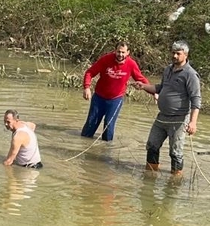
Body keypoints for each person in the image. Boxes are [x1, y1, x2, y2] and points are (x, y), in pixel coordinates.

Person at [133, 40, 202, 176]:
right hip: (162, 117)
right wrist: (143, 86)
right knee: (152, 145)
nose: (175, 56)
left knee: (175, 152)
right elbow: (161, 88)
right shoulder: (168, 69)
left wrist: (193, 122)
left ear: (185, 55)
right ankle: (150, 176)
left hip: (179, 120)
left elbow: (196, 99)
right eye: (173, 53)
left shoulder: (190, 74)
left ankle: (175, 181)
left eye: (178, 53)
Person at [81, 41, 150, 142]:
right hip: (99, 98)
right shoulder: (106, 59)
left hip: (115, 100)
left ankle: (107, 151)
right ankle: (83, 144)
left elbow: (141, 79)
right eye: (118, 52)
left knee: (108, 127)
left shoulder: (131, 64)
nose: (120, 55)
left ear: (128, 53)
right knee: (90, 125)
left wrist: (154, 92)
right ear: (115, 51)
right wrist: (86, 87)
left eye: (123, 52)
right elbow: (90, 72)